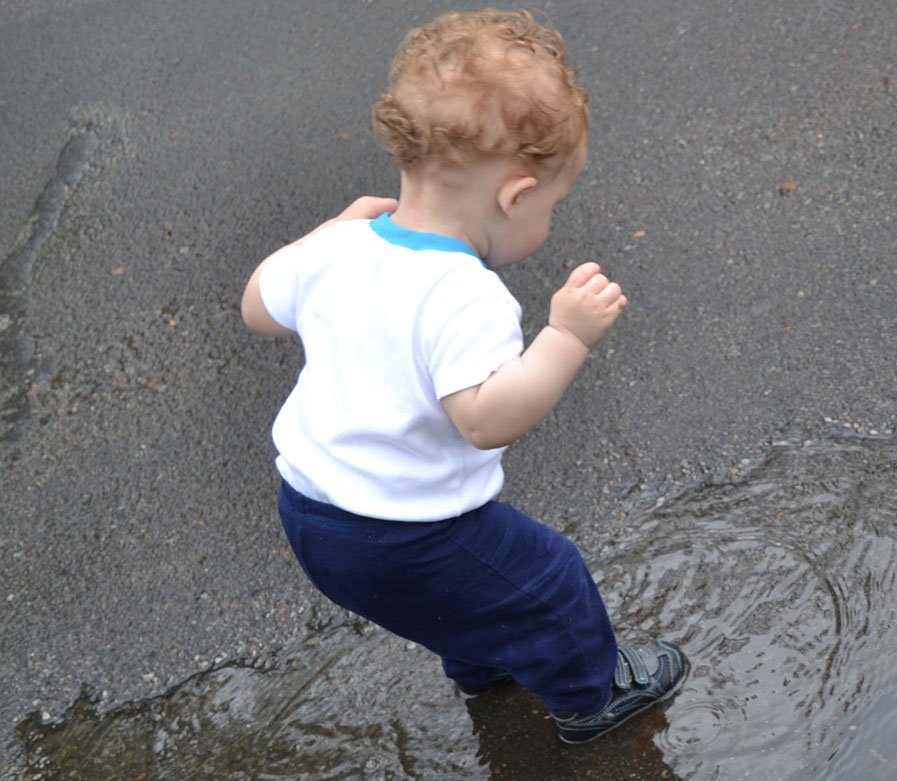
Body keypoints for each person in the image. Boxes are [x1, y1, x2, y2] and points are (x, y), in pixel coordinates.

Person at [238, 8, 685, 745]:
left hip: (309, 509)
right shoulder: (464, 293)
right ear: (513, 196)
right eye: (551, 202)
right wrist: (566, 336)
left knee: (464, 592)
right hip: (403, 531)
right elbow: (485, 419)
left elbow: (257, 307)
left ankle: (482, 662)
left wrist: (322, 235)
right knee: (547, 579)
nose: (548, 215)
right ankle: (592, 695)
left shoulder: (341, 245)